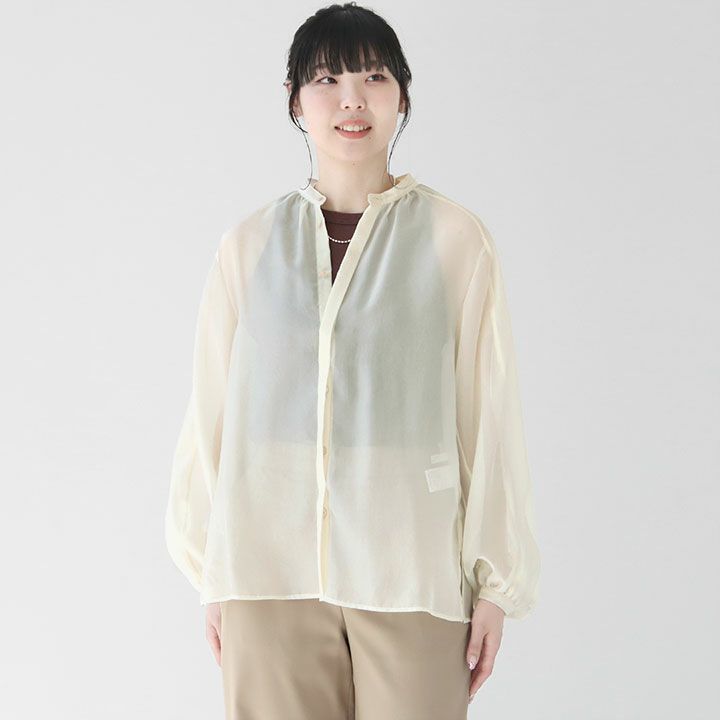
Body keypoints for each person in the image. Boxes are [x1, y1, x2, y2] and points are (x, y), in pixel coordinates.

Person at [164, 3, 541, 718]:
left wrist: (495, 583)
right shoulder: (248, 245)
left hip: (410, 570)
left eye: (373, 76)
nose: (351, 99)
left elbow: (486, 416)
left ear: (403, 94)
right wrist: (214, 571)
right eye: (327, 79)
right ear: (294, 100)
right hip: (267, 573)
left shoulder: (454, 239)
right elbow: (212, 415)